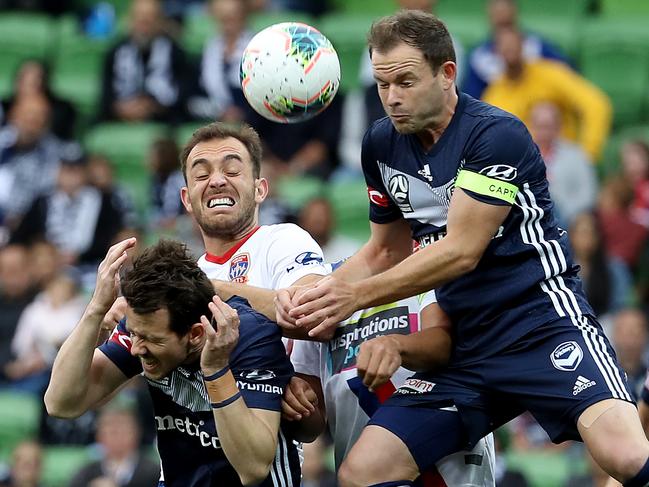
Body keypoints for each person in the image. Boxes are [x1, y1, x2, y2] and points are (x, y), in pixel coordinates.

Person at [276, 10, 649, 486]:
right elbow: (384, 251)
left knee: (624, 454)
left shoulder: (495, 135)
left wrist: (355, 297)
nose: (391, 98)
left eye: (405, 81)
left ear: (447, 73)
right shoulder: (380, 145)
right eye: (383, 84)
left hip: (541, 325)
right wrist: (319, 296)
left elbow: (461, 251)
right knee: (363, 471)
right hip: (466, 348)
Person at [45, 238, 301, 486]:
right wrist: (95, 310)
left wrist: (216, 369)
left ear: (195, 334)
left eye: (150, 339)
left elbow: (253, 469)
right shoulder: (145, 327)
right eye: (133, 333)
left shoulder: (249, 336)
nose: (135, 348)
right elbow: (60, 403)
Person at [283, 263, 496, 486]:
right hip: (363, 476)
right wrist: (296, 402)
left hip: (453, 472)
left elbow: (444, 346)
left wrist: (396, 345)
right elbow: (310, 428)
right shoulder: (323, 284)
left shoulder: (434, 259)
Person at [179, 122, 327, 331]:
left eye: (231, 171)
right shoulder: (190, 280)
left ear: (260, 190)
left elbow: (316, 315)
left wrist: (210, 289)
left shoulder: (284, 240)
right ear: (186, 199)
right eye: (202, 175)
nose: (217, 181)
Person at [482, 26, 611, 161]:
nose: (509, 49)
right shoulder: (494, 94)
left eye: (513, 44)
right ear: (495, 51)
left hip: (562, 160)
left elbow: (596, 105)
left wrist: (588, 153)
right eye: (504, 46)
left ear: (524, 45)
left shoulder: (550, 74)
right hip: (522, 166)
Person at [99, 0, 187, 123]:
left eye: (149, 20)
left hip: (163, 120)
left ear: (160, 22)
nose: (144, 26)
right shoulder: (115, 52)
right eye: (139, 19)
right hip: (120, 119)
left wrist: (152, 107)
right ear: (129, 20)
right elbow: (105, 98)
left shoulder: (175, 53)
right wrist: (122, 109)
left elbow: (183, 97)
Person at [463, 0, 569, 99]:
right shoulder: (479, 58)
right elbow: (472, 100)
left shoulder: (537, 47)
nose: (508, 45)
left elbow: (566, 76)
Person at [528, 101, 597, 228]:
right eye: (539, 126)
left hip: (568, 219)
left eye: (548, 126)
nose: (543, 132)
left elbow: (587, 194)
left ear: (558, 127)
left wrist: (565, 213)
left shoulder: (576, 155)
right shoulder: (522, 155)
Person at [69, 406, 160, 487]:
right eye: (112, 431)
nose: (117, 436)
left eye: (123, 430)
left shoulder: (154, 474)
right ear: (99, 436)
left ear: (137, 433)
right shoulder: (86, 474)